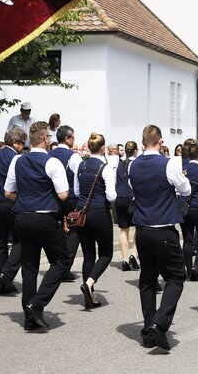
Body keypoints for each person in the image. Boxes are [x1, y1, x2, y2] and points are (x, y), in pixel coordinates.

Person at [128, 124, 190, 351]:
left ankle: (148, 332)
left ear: (143, 141)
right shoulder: (169, 164)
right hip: (163, 228)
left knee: (147, 281)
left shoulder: (133, 165)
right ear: (160, 141)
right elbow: (185, 190)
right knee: (176, 278)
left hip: (142, 229)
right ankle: (159, 323)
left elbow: (132, 188)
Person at [4, 120, 70, 331]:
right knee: (61, 260)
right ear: (45, 139)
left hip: (22, 216)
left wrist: (26, 200)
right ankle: (37, 303)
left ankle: (29, 317)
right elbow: (63, 194)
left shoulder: (17, 161)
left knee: (30, 266)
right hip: (45, 217)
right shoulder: (52, 162)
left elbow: (8, 192)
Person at [74, 132, 116, 307]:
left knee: (88, 255)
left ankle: (89, 297)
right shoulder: (104, 167)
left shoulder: (81, 166)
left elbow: (77, 192)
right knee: (106, 253)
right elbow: (111, 195)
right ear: (102, 148)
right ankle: (89, 283)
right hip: (99, 212)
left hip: (82, 212)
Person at [0, 127, 26, 296]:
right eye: (22, 144)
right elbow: (20, 181)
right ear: (15, 143)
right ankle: (7, 274)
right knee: (23, 239)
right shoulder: (16, 158)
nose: (23, 148)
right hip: (10, 202)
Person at [49, 124, 83, 278]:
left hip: (52, 197)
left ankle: (56, 264)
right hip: (70, 197)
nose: (73, 140)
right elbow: (79, 176)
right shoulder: (73, 156)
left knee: (56, 231)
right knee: (74, 231)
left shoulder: (49, 154)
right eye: (73, 138)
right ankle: (64, 266)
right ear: (67, 138)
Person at [180, 141, 198, 281]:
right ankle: (196, 265)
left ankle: (188, 269)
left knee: (187, 239)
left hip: (185, 208)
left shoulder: (182, 170)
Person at [115, 140, 140, 271]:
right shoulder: (136, 164)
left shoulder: (119, 164)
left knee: (124, 230)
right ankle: (133, 255)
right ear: (135, 151)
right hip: (132, 199)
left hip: (120, 198)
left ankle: (124, 259)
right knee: (139, 228)